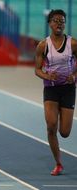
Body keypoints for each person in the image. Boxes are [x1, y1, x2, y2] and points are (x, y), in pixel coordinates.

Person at [35, 9, 77, 176]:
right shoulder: (43, 45)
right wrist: (47, 75)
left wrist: (74, 76)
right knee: (51, 126)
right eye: (56, 20)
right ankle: (58, 163)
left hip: (67, 89)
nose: (59, 23)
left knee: (64, 133)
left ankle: (62, 112)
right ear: (50, 24)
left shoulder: (73, 43)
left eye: (62, 21)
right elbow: (37, 70)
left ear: (65, 24)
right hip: (51, 88)